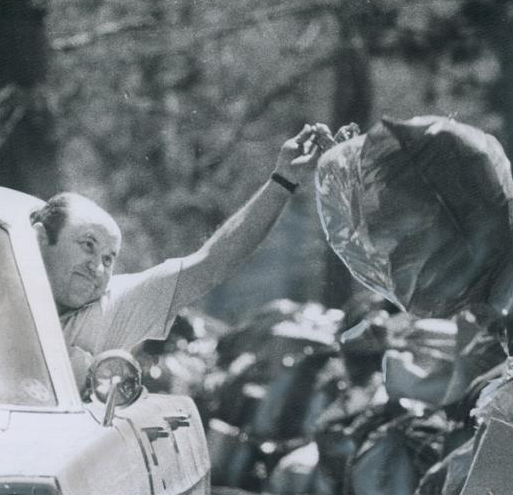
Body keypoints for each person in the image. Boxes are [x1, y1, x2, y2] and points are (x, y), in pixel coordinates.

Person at [35, 123, 335, 384]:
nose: (97, 269)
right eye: (87, 245)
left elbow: (210, 264)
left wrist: (282, 181)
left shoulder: (110, 306)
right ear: (39, 239)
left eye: (108, 259)